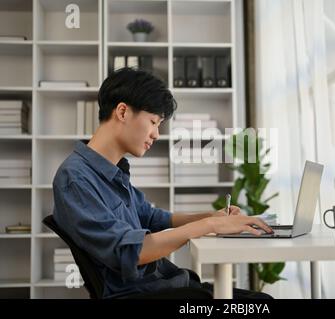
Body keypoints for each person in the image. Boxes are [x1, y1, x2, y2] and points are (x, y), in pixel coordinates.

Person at [52, 67, 273, 299]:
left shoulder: (112, 170)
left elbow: (151, 217)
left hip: (166, 283)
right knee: (263, 303)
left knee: (261, 301)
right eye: (153, 122)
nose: (156, 134)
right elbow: (130, 252)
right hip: (145, 294)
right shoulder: (76, 179)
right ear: (123, 111)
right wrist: (209, 227)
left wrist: (211, 217)